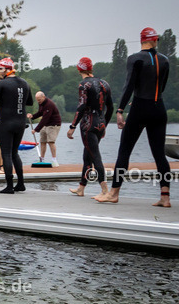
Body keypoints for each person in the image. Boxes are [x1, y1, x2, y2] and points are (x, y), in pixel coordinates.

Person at [96, 27, 171, 206]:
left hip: (140, 107)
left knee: (125, 150)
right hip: (159, 108)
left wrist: (120, 110)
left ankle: (114, 193)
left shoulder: (135, 58)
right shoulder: (165, 60)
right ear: (154, 40)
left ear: (141, 40)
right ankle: (165, 197)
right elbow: (162, 86)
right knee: (159, 154)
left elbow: (129, 85)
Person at [67, 57, 113, 197]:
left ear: (79, 69)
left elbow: (81, 107)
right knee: (87, 155)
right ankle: (81, 188)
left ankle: (105, 190)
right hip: (100, 123)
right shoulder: (105, 83)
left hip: (88, 125)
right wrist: (104, 124)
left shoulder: (84, 85)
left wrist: (72, 126)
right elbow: (110, 107)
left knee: (95, 156)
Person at [0, 58, 33, 194]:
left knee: (6, 153)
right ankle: (21, 183)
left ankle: (9, 186)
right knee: (14, 153)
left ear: (7, 70)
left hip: (6, 122)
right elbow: (29, 102)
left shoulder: (2, 84)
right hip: (20, 122)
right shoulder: (25, 83)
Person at [28, 92, 62, 166]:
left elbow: (45, 118)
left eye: (39, 100)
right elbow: (40, 113)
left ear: (43, 97)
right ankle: (42, 159)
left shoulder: (49, 104)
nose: (38, 101)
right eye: (37, 100)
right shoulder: (41, 103)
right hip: (45, 124)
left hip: (53, 124)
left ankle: (54, 160)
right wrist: (32, 116)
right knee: (42, 141)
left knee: (51, 142)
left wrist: (36, 129)